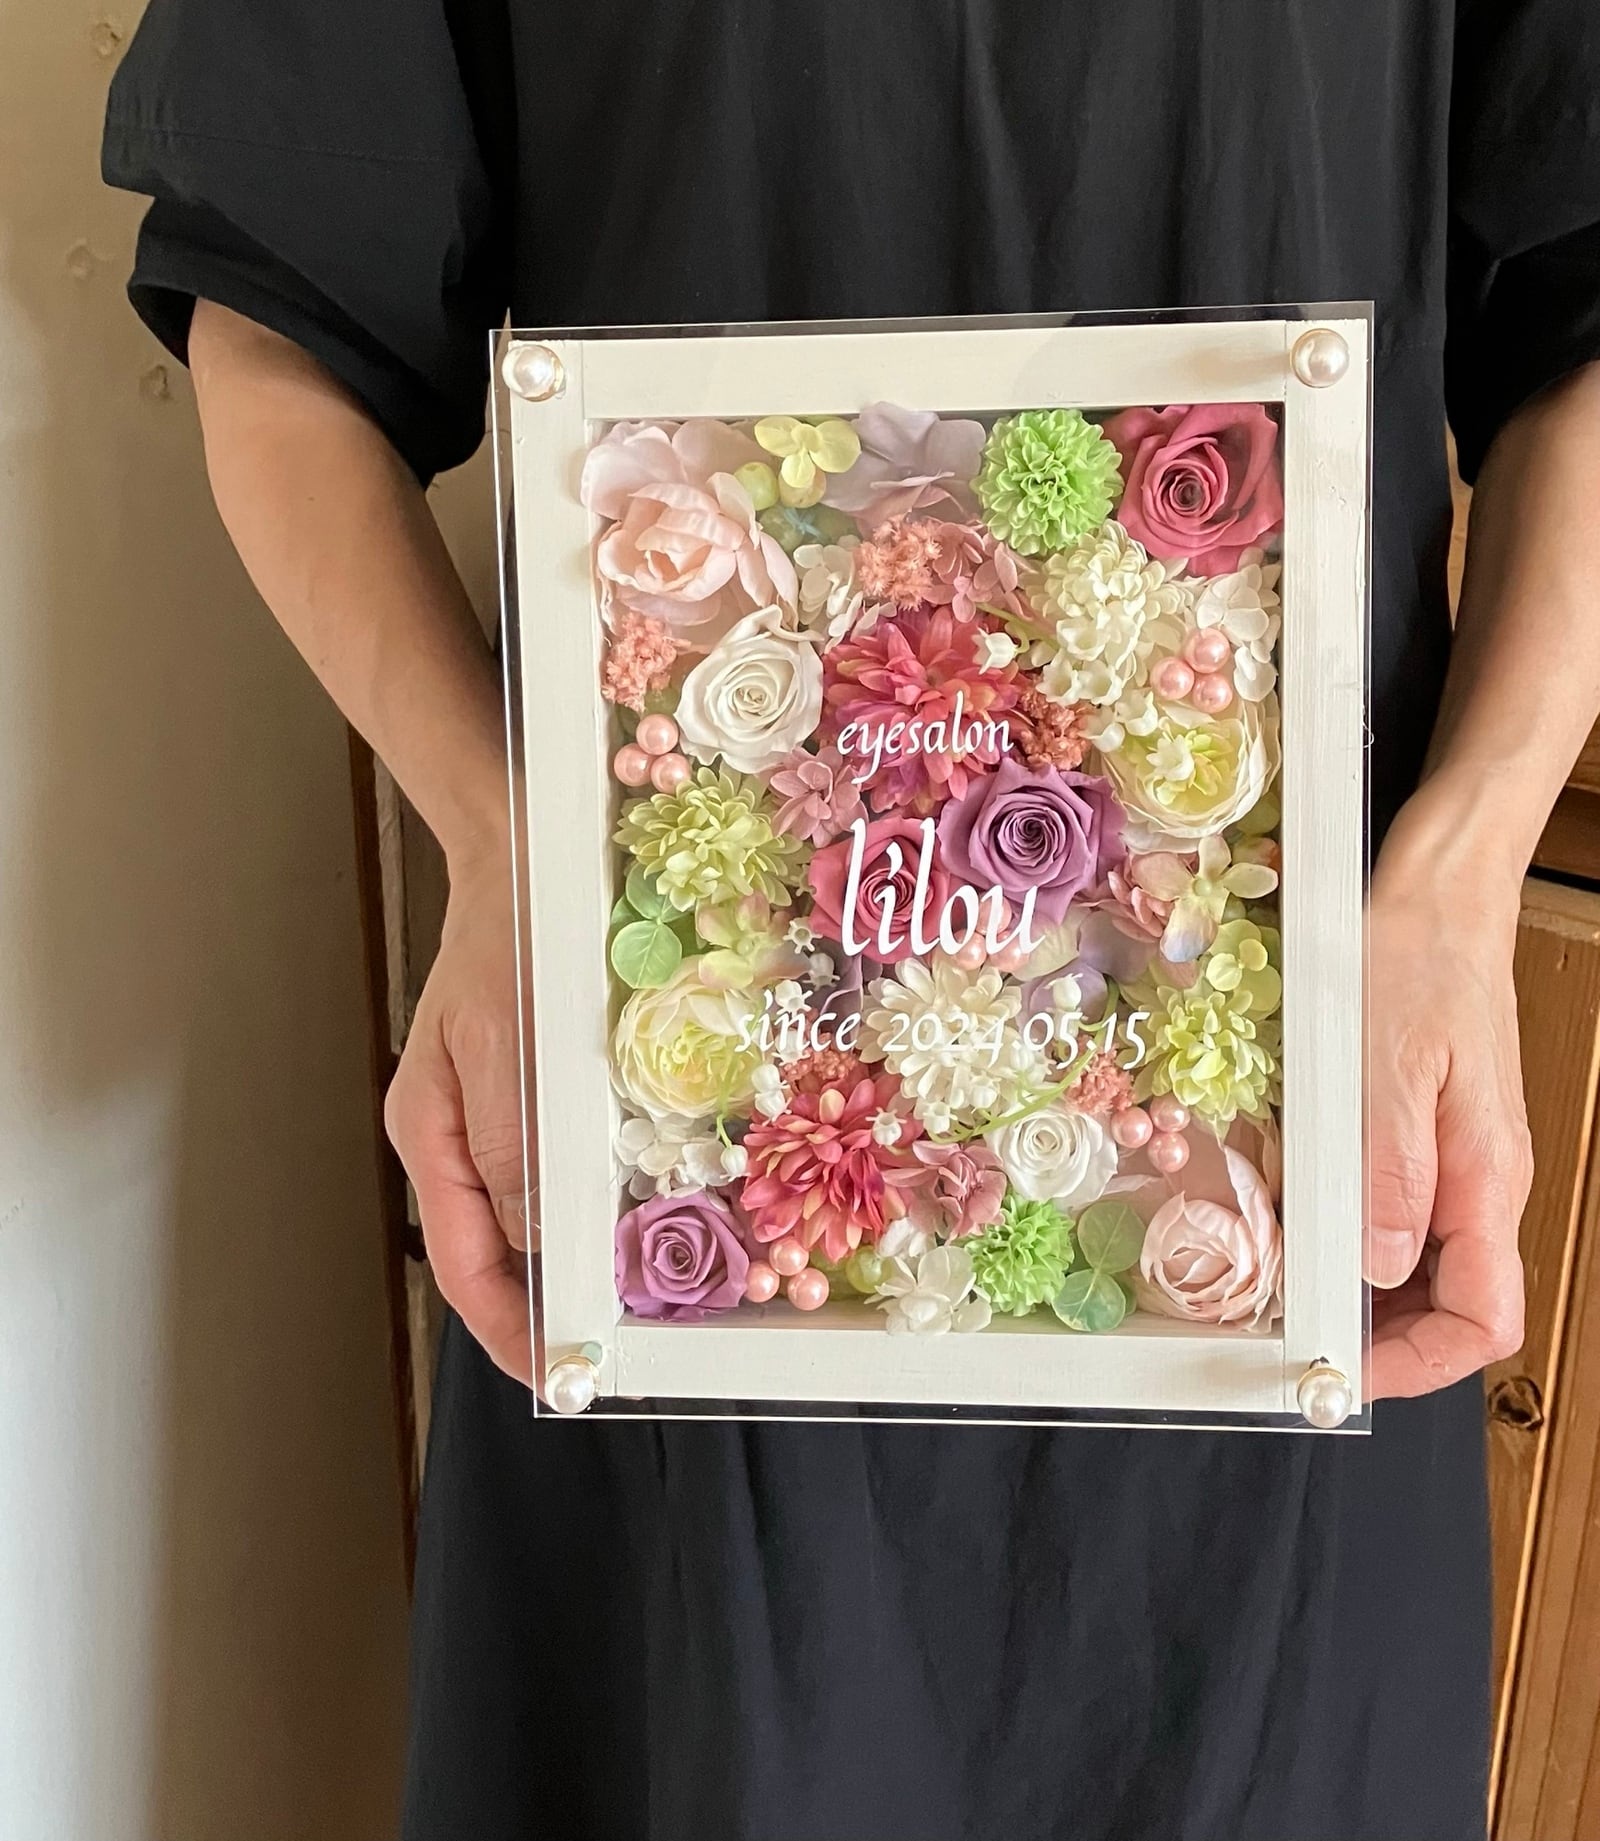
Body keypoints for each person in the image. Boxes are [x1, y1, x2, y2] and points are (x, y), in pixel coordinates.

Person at [102, 5, 1600, 1836]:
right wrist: (508, 854)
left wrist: (1462, 880)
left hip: (1273, 1132)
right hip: (685, 1152)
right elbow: (278, 311)